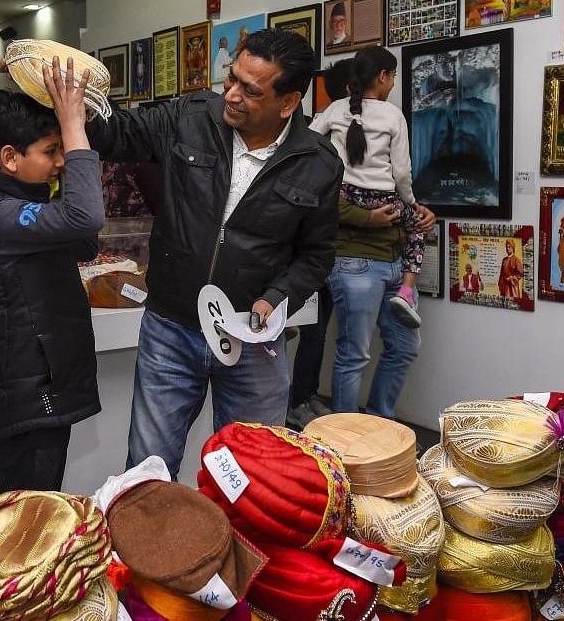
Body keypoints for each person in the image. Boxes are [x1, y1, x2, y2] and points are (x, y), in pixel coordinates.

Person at [86, 28, 342, 479]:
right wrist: (60, 92)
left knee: (252, 476)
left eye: (251, 89)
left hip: (253, 342)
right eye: (232, 79)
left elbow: (316, 256)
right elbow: (116, 132)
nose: (233, 95)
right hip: (171, 328)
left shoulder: (318, 163)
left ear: (288, 103)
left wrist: (277, 296)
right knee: (148, 470)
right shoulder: (192, 116)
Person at [0, 57, 104, 493]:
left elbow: (83, 242)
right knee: (30, 512)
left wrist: (58, 169)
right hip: (28, 393)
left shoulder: (27, 201)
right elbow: (86, 219)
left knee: (36, 507)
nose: (62, 160)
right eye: (51, 151)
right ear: (9, 158)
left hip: (42, 382)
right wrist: (72, 125)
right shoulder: (3, 215)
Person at [310, 46, 436, 419]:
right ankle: (348, 442)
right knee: (355, 353)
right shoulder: (392, 116)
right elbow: (401, 174)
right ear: (382, 76)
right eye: (392, 76)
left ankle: (379, 428)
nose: (393, 83)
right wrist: (411, 205)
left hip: (390, 257)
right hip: (354, 259)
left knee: (400, 347)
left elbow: (306, 153)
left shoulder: (331, 112)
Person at [286, 58, 352, 429]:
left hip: (325, 250)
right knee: (312, 327)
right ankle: (298, 400)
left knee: (318, 327)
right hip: (314, 251)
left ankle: (304, 396)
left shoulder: (322, 127)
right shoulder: (319, 135)